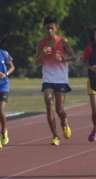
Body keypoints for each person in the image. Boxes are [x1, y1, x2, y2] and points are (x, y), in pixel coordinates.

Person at [36, 16, 75, 146]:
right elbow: (36, 62)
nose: (49, 31)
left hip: (61, 79)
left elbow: (73, 57)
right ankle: (55, 136)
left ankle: (64, 122)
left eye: (52, 28)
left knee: (59, 110)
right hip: (48, 78)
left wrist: (63, 58)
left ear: (56, 28)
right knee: (48, 101)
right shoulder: (41, 43)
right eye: (47, 28)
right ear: (44, 29)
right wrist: (42, 54)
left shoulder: (63, 41)